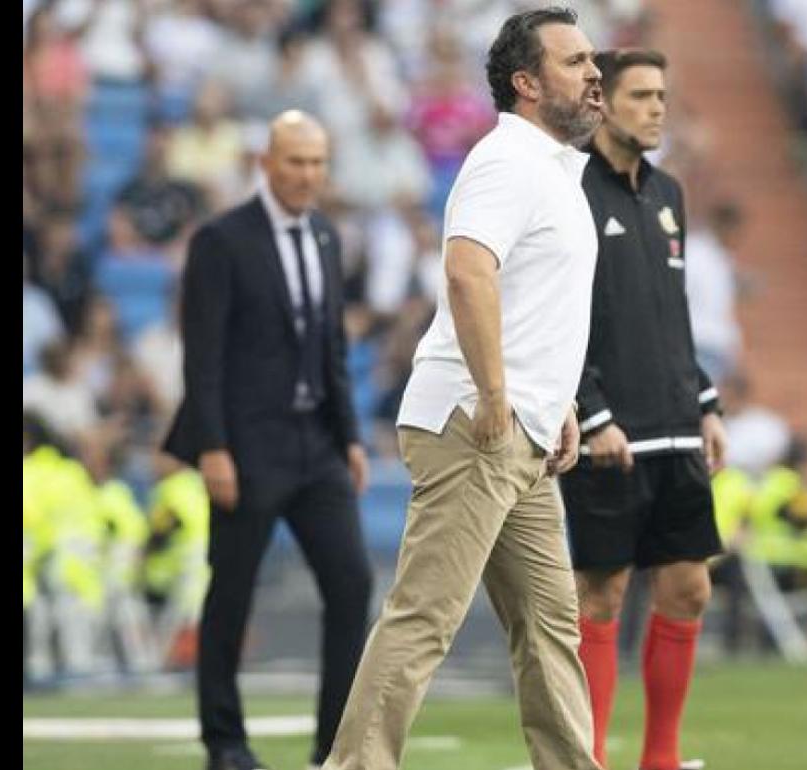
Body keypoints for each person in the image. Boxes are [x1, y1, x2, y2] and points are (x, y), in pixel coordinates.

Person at [323, 8, 605, 770]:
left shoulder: (552, 171)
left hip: (526, 427)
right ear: (525, 81)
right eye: (574, 61)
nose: (594, 72)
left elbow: (529, 304)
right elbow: (466, 268)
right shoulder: (506, 160)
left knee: (550, 626)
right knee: (425, 618)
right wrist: (494, 394)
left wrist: (559, 403)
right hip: (477, 425)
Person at [162, 110, 373, 770]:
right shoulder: (222, 239)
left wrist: (352, 437)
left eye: (317, 163)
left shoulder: (326, 235)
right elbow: (204, 355)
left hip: (318, 446)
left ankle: (333, 746)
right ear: (266, 163)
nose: (308, 175)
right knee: (233, 592)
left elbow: (331, 344)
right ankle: (225, 741)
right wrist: (214, 446)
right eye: (295, 162)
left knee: (352, 584)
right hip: (247, 447)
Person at [560, 48, 725, 770]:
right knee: (601, 592)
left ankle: (661, 758)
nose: (658, 108)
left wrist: (707, 401)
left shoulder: (669, 195)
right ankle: (589, 756)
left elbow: (672, 313)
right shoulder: (569, 193)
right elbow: (554, 316)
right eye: (642, 96)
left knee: (689, 586)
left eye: (662, 95)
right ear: (602, 103)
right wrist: (592, 413)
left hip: (676, 426)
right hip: (607, 433)